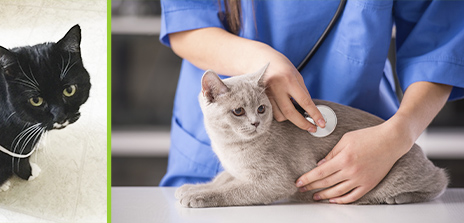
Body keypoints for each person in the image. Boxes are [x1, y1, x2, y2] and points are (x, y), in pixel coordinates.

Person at [159, 0, 464, 204]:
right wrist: (262, 64)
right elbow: (185, 21)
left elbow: (439, 44)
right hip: (221, 135)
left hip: (364, 149)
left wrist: (399, 134)